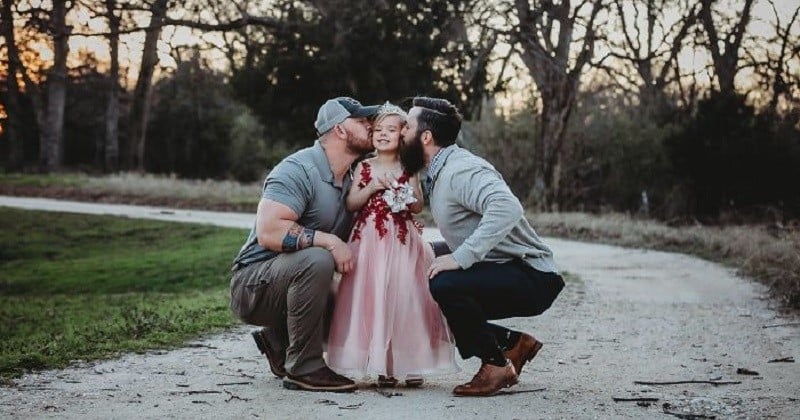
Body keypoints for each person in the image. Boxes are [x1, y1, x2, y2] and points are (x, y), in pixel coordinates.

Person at [399, 96, 565, 397]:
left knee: (445, 283)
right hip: (504, 267)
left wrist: (461, 257)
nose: (400, 132)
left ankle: (495, 364)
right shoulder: (439, 169)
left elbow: (506, 207)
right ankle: (512, 343)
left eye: (406, 127)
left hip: (533, 275)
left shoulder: (461, 169)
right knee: (418, 258)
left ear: (426, 136)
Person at [229, 96, 379, 393]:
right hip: (253, 286)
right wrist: (330, 241)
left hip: (295, 281)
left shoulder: (355, 178)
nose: (370, 127)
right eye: (362, 122)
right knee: (318, 258)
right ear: (339, 130)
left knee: (362, 304)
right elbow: (269, 232)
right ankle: (304, 367)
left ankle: (279, 339)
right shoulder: (297, 169)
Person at [326, 102, 458, 388]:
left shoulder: (408, 167)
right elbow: (351, 203)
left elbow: (418, 205)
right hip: (369, 243)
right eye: (378, 130)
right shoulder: (364, 166)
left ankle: (410, 363)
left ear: (402, 136)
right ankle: (383, 365)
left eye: (391, 130)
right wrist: (373, 187)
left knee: (404, 299)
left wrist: (405, 196)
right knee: (372, 299)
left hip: (401, 243)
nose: (383, 134)